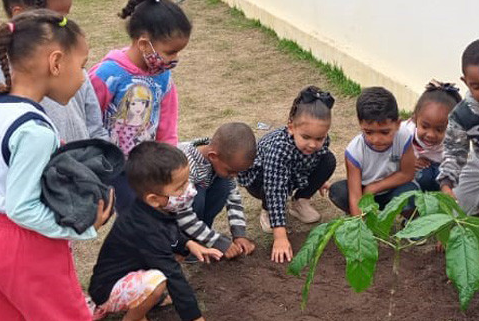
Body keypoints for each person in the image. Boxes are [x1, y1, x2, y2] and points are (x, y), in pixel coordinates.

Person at [0, 10, 139, 321]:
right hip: (25, 248)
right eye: (82, 65)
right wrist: (81, 227)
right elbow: (23, 207)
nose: (84, 77)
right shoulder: (35, 128)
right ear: (56, 63)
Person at [89, 142, 221, 321]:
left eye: (186, 181)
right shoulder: (143, 227)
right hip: (107, 290)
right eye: (179, 188)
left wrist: (189, 244)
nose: (187, 190)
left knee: (168, 266)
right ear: (153, 198)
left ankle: (147, 299)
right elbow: (174, 276)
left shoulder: (148, 209)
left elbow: (168, 231)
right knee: (160, 279)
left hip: (126, 273)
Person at [0, 0, 107, 143]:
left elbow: (94, 124)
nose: (63, 26)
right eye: (54, 19)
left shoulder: (65, 51)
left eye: (64, 18)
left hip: (82, 165)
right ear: (19, 14)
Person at [89, 0, 191, 212]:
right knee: (132, 215)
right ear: (144, 44)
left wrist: (167, 162)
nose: (175, 59)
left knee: (151, 213)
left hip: (146, 166)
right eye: (170, 52)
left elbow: (166, 124)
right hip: (113, 166)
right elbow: (88, 116)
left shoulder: (163, 78)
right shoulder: (107, 75)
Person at [238, 86, 336, 264]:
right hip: (261, 179)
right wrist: (280, 237)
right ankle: (268, 212)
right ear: (291, 127)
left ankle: (299, 202)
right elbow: (274, 189)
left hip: (293, 172)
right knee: (274, 187)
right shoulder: (279, 149)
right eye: (306, 137)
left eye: (319, 138)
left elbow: (320, 155)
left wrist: (320, 179)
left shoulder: (321, 141)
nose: (313, 144)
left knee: (328, 159)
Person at [329, 86, 418, 215]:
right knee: (339, 192)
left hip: (392, 190)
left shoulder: (403, 137)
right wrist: (360, 228)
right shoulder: (354, 151)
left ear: (398, 124)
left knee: (411, 194)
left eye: (385, 132)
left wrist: (375, 187)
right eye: (369, 132)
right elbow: (355, 195)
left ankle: (411, 225)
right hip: (364, 192)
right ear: (360, 125)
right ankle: (362, 216)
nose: (376, 139)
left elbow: (407, 174)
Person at [177, 123, 257, 258]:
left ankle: (201, 238)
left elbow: (233, 197)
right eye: (231, 171)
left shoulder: (221, 162)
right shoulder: (185, 165)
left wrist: (239, 235)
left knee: (224, 186)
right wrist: (217, 241)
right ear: (213, 156)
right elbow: (182, 212)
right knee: (196, 195)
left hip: (188, 214)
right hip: (168, 217)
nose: (234, 176)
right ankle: (185, 245)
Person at [437, 38, 479, 215]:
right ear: (465, 82)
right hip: (478, 163)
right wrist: (446, 184)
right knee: (454, 209)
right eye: (476, 86)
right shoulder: (461, 114)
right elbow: (454, 151)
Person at [404, 80, 461, 192]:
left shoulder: (453, 143)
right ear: (415, 119)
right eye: (425, 127)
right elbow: (391, 153)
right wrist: (409, 161)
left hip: (440, 168)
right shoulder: (404, 133)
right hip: (414, 171)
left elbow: (455, 165)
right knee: (422, 176)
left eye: (439, 130)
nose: (430, 135)